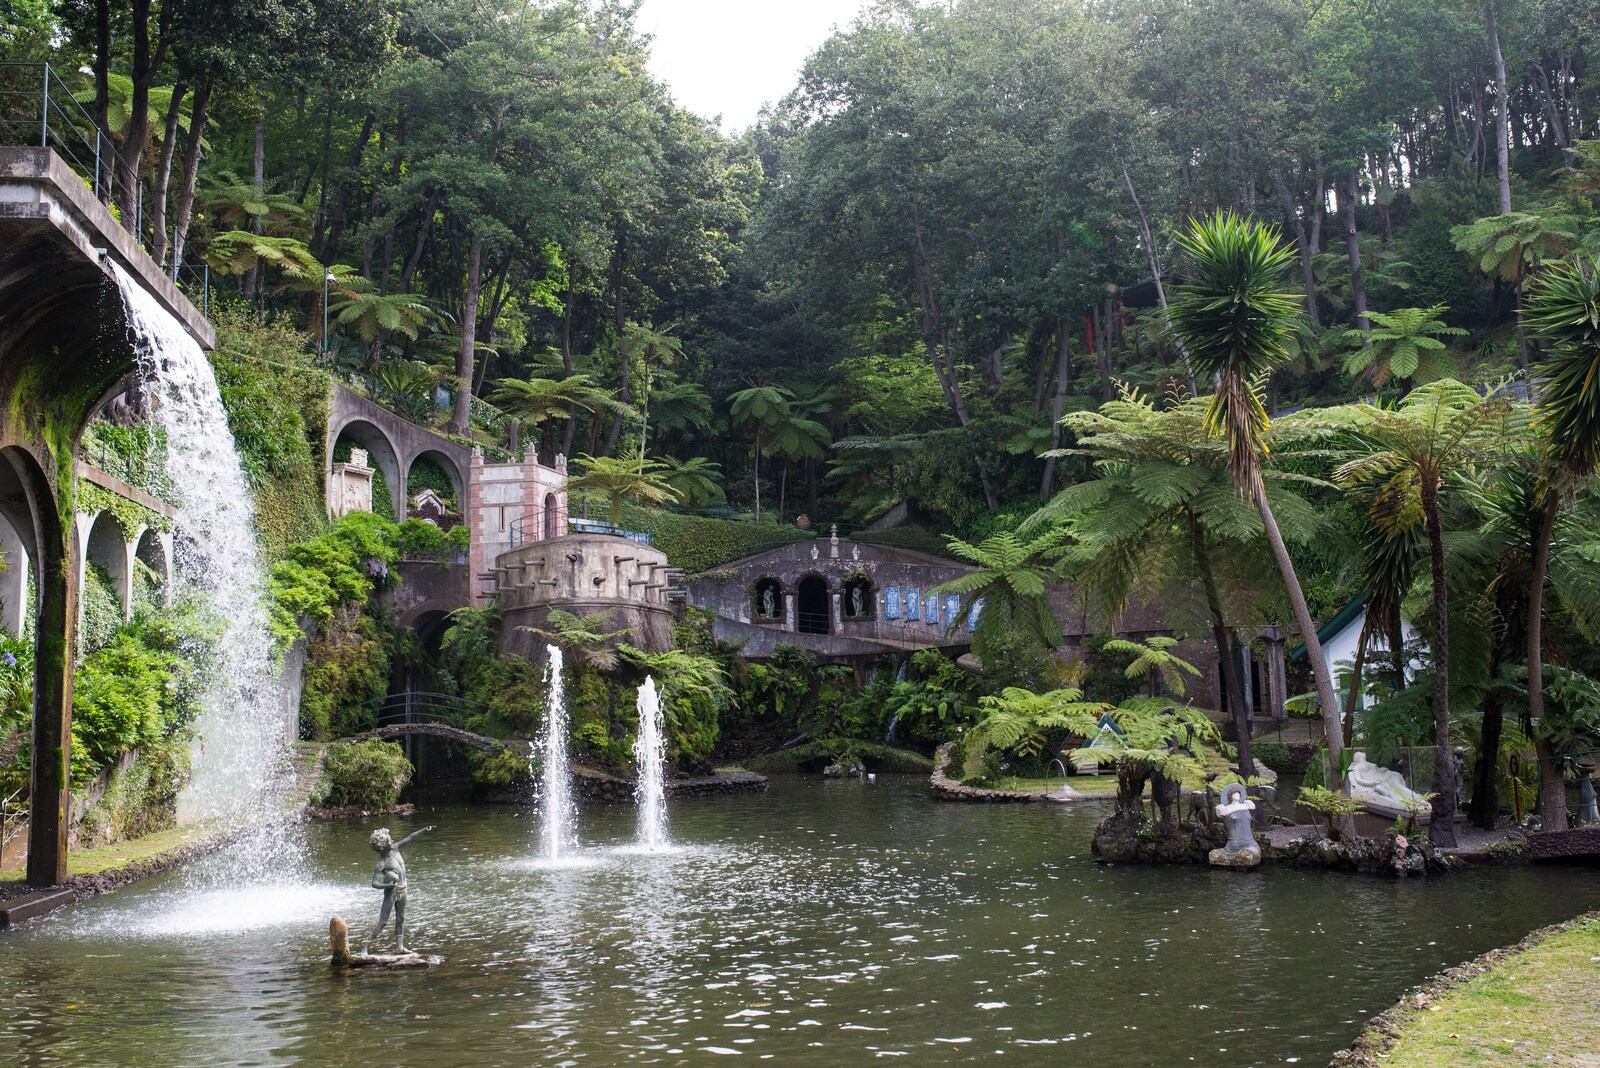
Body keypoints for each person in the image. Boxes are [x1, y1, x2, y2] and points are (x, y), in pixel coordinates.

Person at [365, 825, 434, 954]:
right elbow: (374, 883)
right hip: (391, 893)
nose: (391, 841)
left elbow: (410, 837)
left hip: (403, 888)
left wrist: (424, 829)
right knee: (383, 921)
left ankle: (399, 947)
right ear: (382, 846)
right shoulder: (382, 863)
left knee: (400, 918)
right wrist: (388, 886)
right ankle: (365, 947)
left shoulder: (395, 848)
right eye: (388, 841)